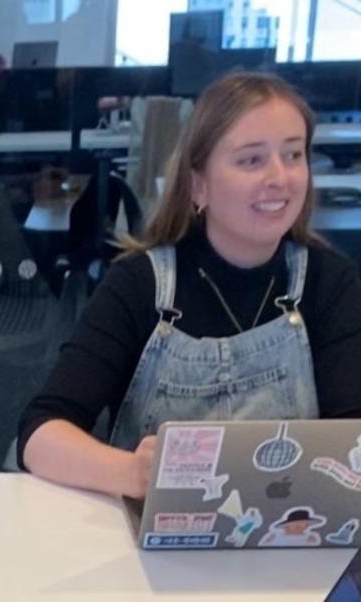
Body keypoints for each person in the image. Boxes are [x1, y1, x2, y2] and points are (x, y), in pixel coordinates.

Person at [18, 71, 361, 499]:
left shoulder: (331, 284)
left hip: (287, 543)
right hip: (150, 549)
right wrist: (133, 473)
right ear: (198, 184)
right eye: (251, 160)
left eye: (293, 155)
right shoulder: (139, 284)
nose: (280, 177)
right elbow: (40, 433)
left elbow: (352, 444)